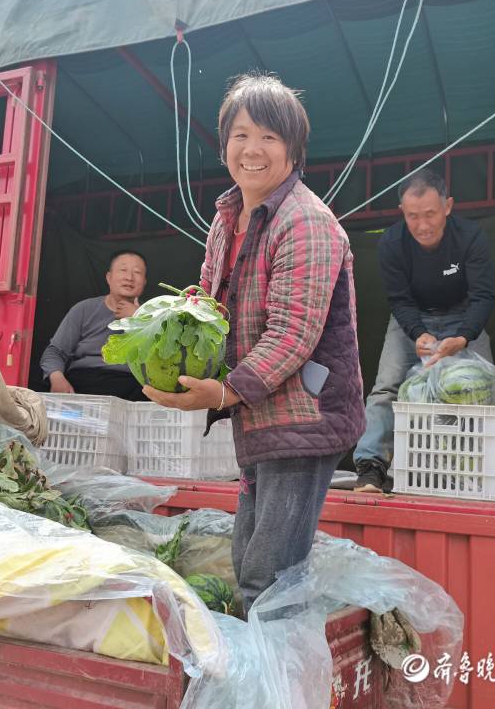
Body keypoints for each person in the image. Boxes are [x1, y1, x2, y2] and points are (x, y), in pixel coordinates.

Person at [142, 73, 365, 615]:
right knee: (249, 566)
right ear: (224, 146)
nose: (253, 149)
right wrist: (190, 314)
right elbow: (220, 305)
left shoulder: (306, 221)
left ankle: (275, 688)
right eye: (241, 135)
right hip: (260, 418)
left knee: (267, 583)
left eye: (269, 136)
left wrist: (221, 392)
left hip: (302, 420)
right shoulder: (227, 221)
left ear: (292, 149)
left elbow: (292, 335)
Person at [353, 169, 495, 492]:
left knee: (483, 389)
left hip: (463, 319)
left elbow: (483, 296)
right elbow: (399, 300)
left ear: (448, 206)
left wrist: (462, 338)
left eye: (430, 214)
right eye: (413, 216)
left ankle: (481, 471)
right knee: (386, 386)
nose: (423, 225)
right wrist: (417, 333)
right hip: (412, 317)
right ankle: (371, 468)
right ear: (403, 212)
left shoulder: (471, 237)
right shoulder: (391, 243)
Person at [40, 250, 147, 400]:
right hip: (85, 382)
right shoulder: (84, 309)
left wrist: (139, 318)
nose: (129, 277)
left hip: (132, 385)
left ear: (144, 282)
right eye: (123, 270)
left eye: (137, 272)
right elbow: (55, 352)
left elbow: (165, 362)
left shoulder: (153, 317)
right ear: (109, 278)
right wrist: (57, 378)